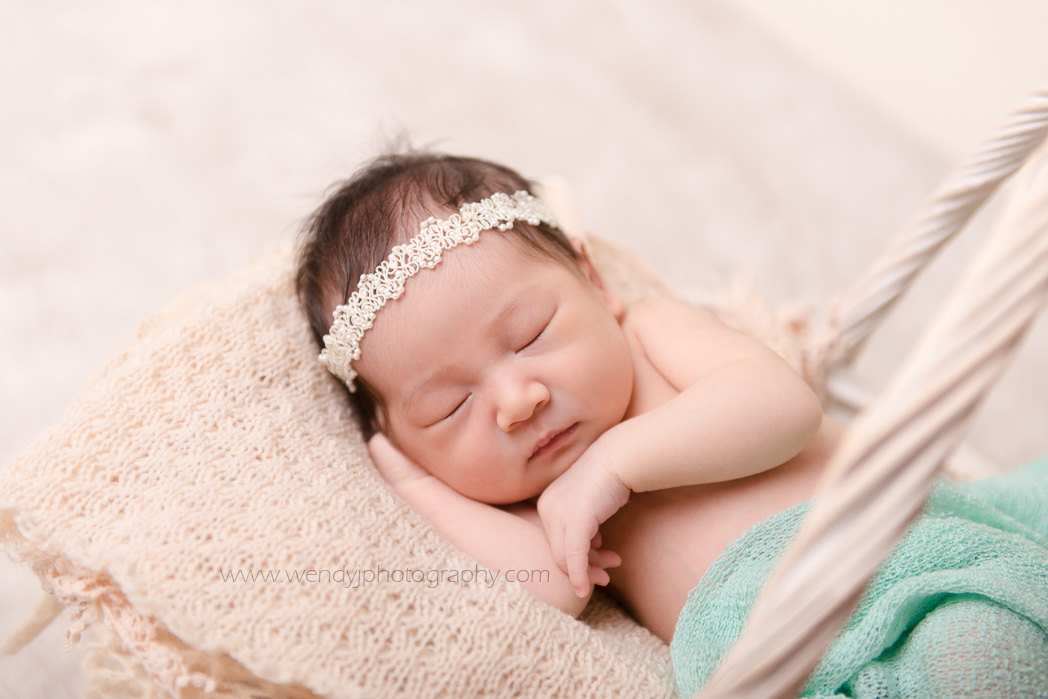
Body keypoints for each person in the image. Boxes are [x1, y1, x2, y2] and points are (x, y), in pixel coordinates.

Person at [296, 149, 1048, 697]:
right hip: (777, 669)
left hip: (897, 560)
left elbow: (783, 408)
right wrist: (415, 482)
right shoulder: (534, 503)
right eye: (447, 407)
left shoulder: (652, 332)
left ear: (592, 280)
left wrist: (614, 462)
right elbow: (552, 591)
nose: (516, 399)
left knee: (977, 653)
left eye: (528, 336)